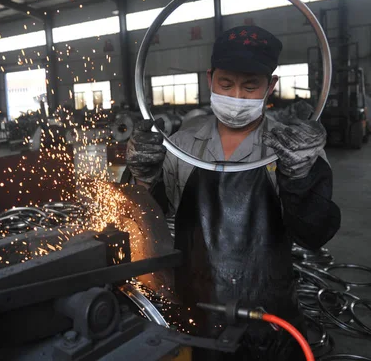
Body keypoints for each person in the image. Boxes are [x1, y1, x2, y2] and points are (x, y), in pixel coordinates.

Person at [126, 26, 341, 360]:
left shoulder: (292, 149)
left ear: (271, 86)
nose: (237, 96)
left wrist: (299, 178)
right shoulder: (183, 146)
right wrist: (142, 177)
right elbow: (145, 221)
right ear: (210, 79)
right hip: (194, 314)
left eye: (251, 85)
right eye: (226, 84)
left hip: (269, 320)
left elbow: (315, 233)